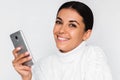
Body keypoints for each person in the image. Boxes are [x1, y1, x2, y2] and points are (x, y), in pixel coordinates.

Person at [12, 1, 112, 80]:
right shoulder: (42, 65)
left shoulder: (92, 55)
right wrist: (27, 78)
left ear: (86, 34)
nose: (61, 30)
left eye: (72, 25)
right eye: (59, 22)